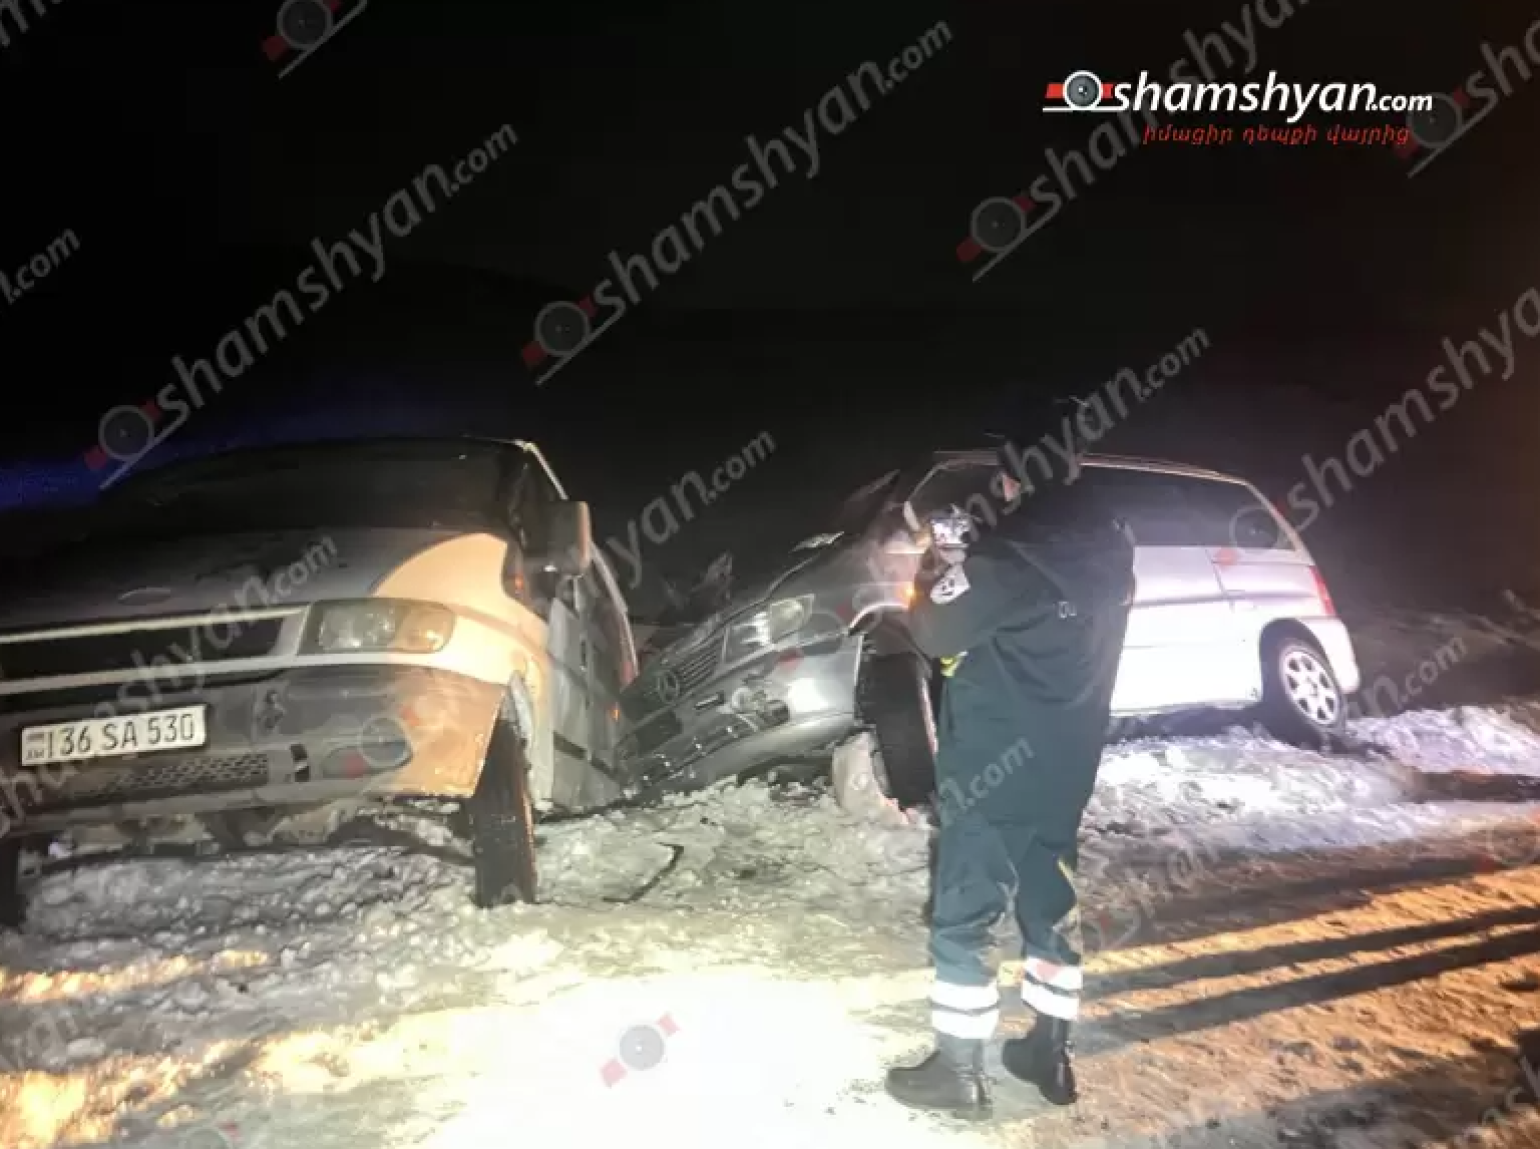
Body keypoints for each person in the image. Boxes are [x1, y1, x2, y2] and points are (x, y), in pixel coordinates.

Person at [883, 429, 1135, 1118]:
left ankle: (959, 1072)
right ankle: (1050, 1052)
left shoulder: (1011, 554)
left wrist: (941, 563)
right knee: (1051, 902)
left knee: (965, 908)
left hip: (995, 762)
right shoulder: (1112, 544)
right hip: (1067, 761)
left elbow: (933, 630)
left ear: (1014, 479)